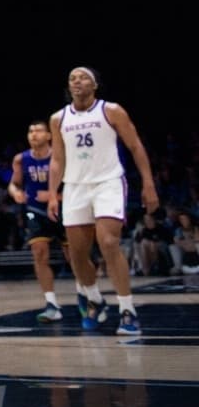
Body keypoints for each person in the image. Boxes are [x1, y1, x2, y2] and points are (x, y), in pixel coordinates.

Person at [47, 66, 158, 336]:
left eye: (83, 77)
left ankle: (127, 310)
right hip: (75, 186)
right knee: (76, 253)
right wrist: (52, 193)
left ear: (95, 84)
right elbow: (58, 159)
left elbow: (135, 146)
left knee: (108, 242)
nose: (77, 81)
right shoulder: (58, 118)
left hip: (108, 182)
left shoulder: (111, 110)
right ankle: (95, 299)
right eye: (72, 77)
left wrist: (148, 183)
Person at [8, 119, 68, 321]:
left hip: (64, 209)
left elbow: (75, 185)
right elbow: (14, 184)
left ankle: (87, 294)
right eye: (30, 130)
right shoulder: (21, 159)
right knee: (39, 254)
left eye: (38, 130)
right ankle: (51, 303)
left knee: (74, 256)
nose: (33, 134)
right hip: (35, 210)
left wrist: (54, 197)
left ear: (49, 135)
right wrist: (16, 192)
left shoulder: (61, 156)